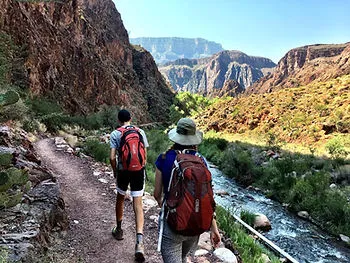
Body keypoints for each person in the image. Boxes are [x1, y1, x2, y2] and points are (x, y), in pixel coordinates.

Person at [153, 117, 221, 263]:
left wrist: (169, 209)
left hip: (173, 225)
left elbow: (157, 194)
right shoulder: (201, 160)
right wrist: (214, 228)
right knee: (183, 258)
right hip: (195, 224)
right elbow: (208, 197)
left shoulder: (164, 158)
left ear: (176, 137)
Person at [110, 109, 149, 261]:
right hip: (138, 171)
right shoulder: (140, 132)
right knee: (138, 204)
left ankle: (119, 230)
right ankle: (139, 243)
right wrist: (141, 168)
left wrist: (115, 171)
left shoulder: (115, 134)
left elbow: (112, 157)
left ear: (119, 120)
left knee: (120, 198)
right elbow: (144, 154)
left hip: (123, 171)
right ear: (131, 118)